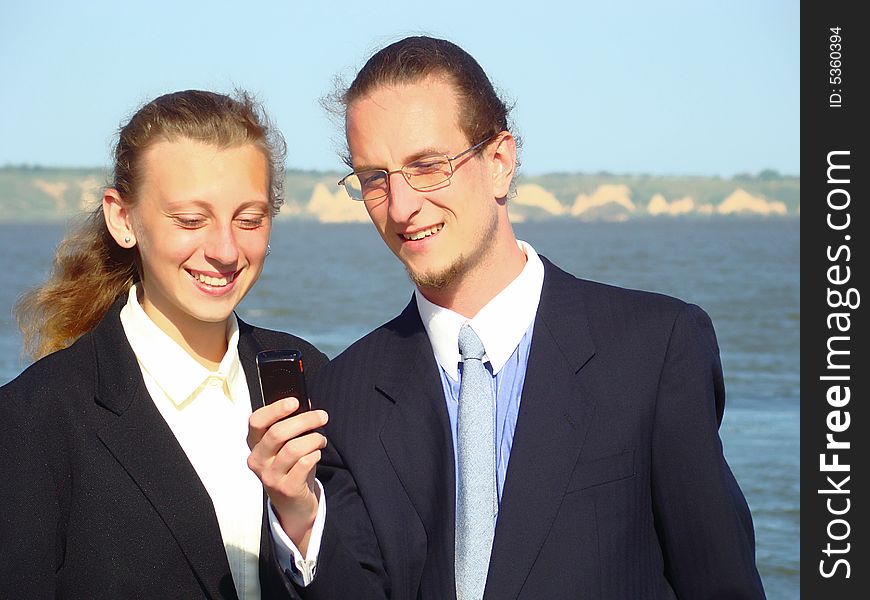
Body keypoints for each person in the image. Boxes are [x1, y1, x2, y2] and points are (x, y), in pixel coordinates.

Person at [249, 36, 766, 599]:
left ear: (499, 162)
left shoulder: (654, 349)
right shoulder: (343, 392)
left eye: (427, 167)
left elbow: (721, 583)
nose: (400, 206)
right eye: (375, 177)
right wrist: (299, 518)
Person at [0, 90, 329, 599]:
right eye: (190, 221)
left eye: (250, 219)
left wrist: (301, 522)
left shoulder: (314, 376)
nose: (224, 250)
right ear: (122, 219)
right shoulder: (34, 417)